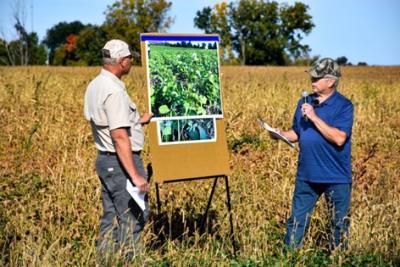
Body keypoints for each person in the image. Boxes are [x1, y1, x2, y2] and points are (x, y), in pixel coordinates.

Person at [272, 58, 354, 250]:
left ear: (331, 81)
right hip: (307, 175)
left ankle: (339, 260)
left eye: (317, 77)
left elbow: (339, 138)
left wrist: (314, 117)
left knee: (338, 224)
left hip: (336, 176)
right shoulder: (304, 101)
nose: (313, 80)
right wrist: (279, 134)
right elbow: (297, 133)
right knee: (296, 221)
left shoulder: (344, 105)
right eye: (312, 76)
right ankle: (289, 259)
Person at [84, 39, 152, 258]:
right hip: (121, 162)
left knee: (112, 216)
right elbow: (119, 136)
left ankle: (105, 261)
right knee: (132, 217)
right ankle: (131, 261)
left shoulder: (96, 85)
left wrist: (137, 122)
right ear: (122, 61)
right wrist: (135, 176)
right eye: (130, 58)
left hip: (106, 161)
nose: (132, 61)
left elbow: (112, 123)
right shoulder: (114, 91)